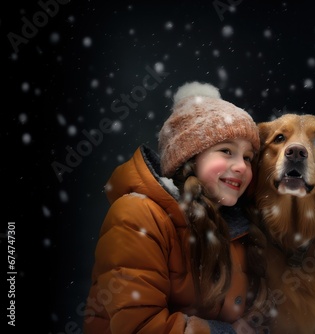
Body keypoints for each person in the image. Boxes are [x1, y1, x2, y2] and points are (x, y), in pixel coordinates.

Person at [83, 81, 266, 333]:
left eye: (247, 157)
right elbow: (140, 326)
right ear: (189, 159)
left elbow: (253, 305)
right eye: (226, 151)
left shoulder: (236, 225)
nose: (242, 167)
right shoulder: (137, 215)